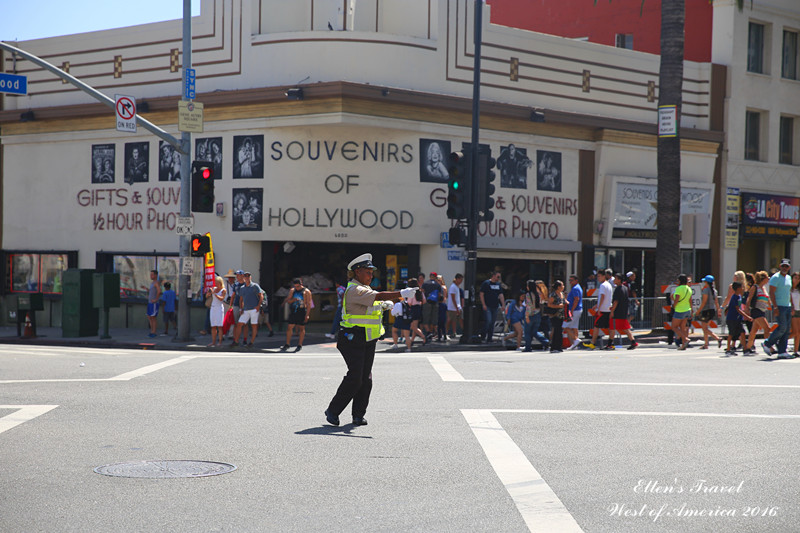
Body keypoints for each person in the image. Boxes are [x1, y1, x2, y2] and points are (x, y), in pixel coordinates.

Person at [324, 253, 413, 427]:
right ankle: (333, 411)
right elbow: (377, 297)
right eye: (367, 272)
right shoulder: (354, 289)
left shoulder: (365, 289)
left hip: (367, 338)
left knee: (366, 378)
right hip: (352, 338)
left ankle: (358, 415)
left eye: (372, 272)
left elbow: (375, 303)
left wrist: (390, 304)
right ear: (357, 272)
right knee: (356, 377)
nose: (371, 275)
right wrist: (400, 293)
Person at [762, 259, 794, 358]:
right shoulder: (775, 277)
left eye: (786, 266)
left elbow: (789, 292)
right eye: (783, 266)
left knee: (787, 330)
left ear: (789, 268)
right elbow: (771, 292)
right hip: (779, 306)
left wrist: (792, 305)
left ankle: (782, 351)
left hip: (787, 305)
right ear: (780, 266)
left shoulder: (789, 278)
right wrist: (775, 306)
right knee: (782, 327)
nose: (785, 268)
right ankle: (767, 343)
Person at [231, 272, 263, 348]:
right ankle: (236, 341)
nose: (247, 278)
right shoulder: (242, 288)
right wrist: (241, 308)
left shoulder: (255, 286)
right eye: (245, 276)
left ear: (250, 278)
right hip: (246, 309)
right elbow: (241, 299)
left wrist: (258, 306)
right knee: (239, 324)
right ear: (244, 278)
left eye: (248, 276)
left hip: (254, 309)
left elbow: (261, 295)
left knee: (253, 325)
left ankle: (251, 342)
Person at [743, 271, 771, 356]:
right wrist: (747, 309)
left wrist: (772, 306)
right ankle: (768, 346)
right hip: (756, 310)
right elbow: (749, 298)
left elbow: (767, 299)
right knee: (767, 328)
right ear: (763, 279)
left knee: (753, 331)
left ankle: (747, 348)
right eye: (767, 277)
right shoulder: (755, 287)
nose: (768, 278)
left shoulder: (764, 288)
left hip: (762, 311)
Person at [280, 278, 312, 353]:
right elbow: (289, 300)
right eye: (295, 286)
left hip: (301, 310)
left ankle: (299, 344)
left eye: (298, 286)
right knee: (290, 327)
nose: (297, 288)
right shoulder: (292, 291)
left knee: (301, 327)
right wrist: (292, 300)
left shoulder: (306, 292)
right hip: (294, 310)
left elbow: (309, 304)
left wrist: (307, 315)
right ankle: (287, 343)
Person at [586, 269, 613, 350]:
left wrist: (598, 308)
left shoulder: (602, 285)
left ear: (604, 276)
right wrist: (596, 305)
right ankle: (611, 343)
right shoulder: (608, 285)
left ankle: (592, 343)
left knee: (596, 326)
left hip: (602, 310)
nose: (598, 278)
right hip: (607, 309)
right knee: (609, 327)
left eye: (599, 276)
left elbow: (602, 297)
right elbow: (604, 298)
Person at [609, 273, 638, 349]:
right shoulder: (625, 288)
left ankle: (610, 344)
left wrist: (612, 311)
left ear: (619, 280)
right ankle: (633, 342)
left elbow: (616, 301)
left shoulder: (618, 289)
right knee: (626, 328)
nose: (614, 280)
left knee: (612, 328)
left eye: (615, 278)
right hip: (624, 311)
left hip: (617, 312)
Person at [723, 282, 750, 357]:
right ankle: (728, 349)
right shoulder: (734, 297)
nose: (742, 288)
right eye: (741, 287)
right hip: (732, 318)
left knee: (742, 332)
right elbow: (737, 309)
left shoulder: (739, 296)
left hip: (738, 319)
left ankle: (745, 349)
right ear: (738, 288)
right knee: (731, 333)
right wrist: (747, 316)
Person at [523, 280, 550, 351]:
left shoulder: (528, 294)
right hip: (537, 314)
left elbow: (529, 306)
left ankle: (528, 347)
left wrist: (527, 316)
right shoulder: (538, 294)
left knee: (527, 332)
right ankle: (545, 341)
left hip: (531, 315)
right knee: (534, 331)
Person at [696, 275, 722, 349]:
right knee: (705, 327)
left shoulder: (705, 290)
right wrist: (718, 311)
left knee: (704, 328)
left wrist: (698, 311)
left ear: (706, 282)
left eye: (704, 281)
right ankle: (706, 344)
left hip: (706, 311)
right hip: (712, 310)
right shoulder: (714, 291)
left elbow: (704, 302)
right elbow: (716, 302)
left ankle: (717, 338)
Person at [480, 271, 505, 343]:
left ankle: (489, 338)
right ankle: (483, 335)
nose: (498, 278)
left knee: (492, 322)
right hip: (487, 305)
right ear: (493, 276)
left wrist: (503, 304)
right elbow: (481, 294)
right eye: (498, 276)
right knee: (488, 321)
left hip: (495, 306)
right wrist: (483, 304)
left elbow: (501, 295)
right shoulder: (486, 283)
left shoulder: (498, 284)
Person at [671, 273, 693, 350]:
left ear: (680, 281)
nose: (677, 281)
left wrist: (674, 305)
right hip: (687, 310)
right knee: (682, 328)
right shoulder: (689, 288)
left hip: (680, 310)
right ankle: (683, 345)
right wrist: (692, 310)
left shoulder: (679, 289)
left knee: (674, 327)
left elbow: (677, 299)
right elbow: (690, 300)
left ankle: (686, 339)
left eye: (678, 280)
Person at [404, 278, 427, 351]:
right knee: (415, 325)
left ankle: (423, 337)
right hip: (418, 308)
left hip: (413, 309)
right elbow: (424, 301)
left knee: (413, 327)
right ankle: (412, 340)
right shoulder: (420, 291)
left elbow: (409, 302)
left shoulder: (411, 292)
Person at [564, 275, 583, 350]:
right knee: (574, 327)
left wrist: (571, 310)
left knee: (565, 326)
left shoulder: (575, 288)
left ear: (576, 280)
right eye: (569, 280)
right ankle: (574, 345)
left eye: (572, 280)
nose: (570, 282)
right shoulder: (578, 287)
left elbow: (576, 299)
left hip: (574, 310)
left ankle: (575, 340)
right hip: (577, 309)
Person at [421, 272, 442, 340]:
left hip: (427, 302)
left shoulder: (425, 283)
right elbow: (439, 295)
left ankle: (428, 332)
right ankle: (434, 333)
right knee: (434, 319)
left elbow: (422, 292)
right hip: (435, 303)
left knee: (426, 318)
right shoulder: (437, 285)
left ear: (430, 276)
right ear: (435, 277)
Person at [546, 280, 566, 352]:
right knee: (556, 330)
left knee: (559, 331)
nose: (563, 287)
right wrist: (558, 306)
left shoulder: (562, 294)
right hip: (554, 315)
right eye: (562, 285)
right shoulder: (553, 295)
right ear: (558, 287)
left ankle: (559, 346)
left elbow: (564, 301)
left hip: (561, 315)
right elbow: (549, 304)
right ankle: (554, 347)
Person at [208, 276, 227, 347]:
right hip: (213, 308)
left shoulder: (223, 290)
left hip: (219, 308)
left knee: (219, 326)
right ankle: (213, 342)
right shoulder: (214, 288)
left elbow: (221, 298)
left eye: (217, 283)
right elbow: (207, 296)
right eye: (215, 283)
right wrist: (209, 292)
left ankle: (220, 342)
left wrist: (214, 294)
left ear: (220, 283)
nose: (216, 284)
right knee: (213, 326)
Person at [446, 274, 464, 340]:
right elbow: (453, 298)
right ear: (457, 279)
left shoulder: (457, 287)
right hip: (452, 307)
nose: (461, 281)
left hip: (458, 307)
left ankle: (455, 332)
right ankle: (445, 332)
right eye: (460, 279)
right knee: (450, 320)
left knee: (458, 320)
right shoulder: (453, 287)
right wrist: (456, 308)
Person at [146, 270, 161, 338]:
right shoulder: (152, 283)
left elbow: (159, 291)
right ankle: (151, 331)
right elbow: (152, 291)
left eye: (152, 274)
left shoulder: (156, 283)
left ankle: (154, 332)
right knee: (149, 317)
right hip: (150, 302)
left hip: (154, 303)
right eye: (150, 274)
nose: (150, 276)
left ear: (155, 275)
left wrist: (156, 299)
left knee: (153, 317)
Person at [436, 275, 449, 341]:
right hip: (441, 311)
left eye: (439, 280)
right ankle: (441, 335)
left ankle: (442, 335)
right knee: (440, 326)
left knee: (441, 326)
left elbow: (445, 296)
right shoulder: (436, 287)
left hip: (441, 305)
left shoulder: (443, 287)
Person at [791, 272, 800, 357]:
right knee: (795, 331)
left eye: (798, 278)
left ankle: (795, 350)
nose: (797, 280)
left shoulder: (798, 289)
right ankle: (780, 341)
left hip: (799, 310)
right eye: (795, 278)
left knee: (798, 332)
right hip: (792, 310)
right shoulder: (789, 289)